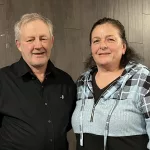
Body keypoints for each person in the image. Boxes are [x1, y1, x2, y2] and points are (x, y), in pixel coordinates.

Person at [0, 13, 76, 150]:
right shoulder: (3, 80)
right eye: (30, 40)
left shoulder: (66, 82)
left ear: (52, 41)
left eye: (43, 38)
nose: (38, 45)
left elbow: (68, 124)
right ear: (19, 45)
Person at [72, 17, 150, 150]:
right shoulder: (82, 82)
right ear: (91, 48)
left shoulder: (143, 79)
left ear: (123, 47)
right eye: (96, 41)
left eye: (110, 39)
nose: (102, 45)